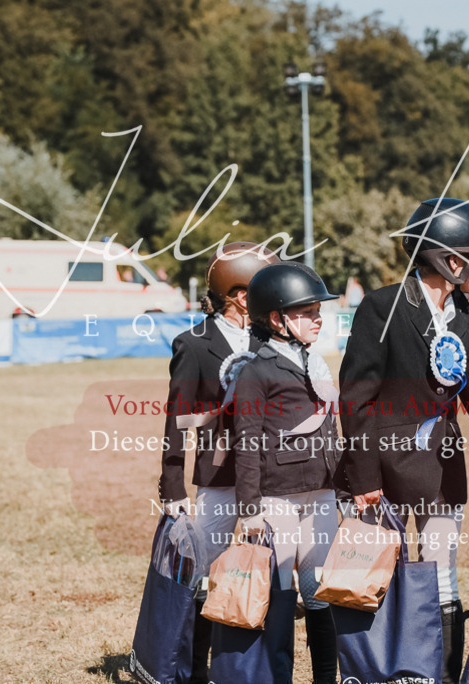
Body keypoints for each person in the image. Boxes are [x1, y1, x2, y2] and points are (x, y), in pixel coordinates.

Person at [339, 198, 469, 683]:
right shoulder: (382, 307)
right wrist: (363, 478)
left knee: (442, 577)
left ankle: (439, 677)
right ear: (449, 261)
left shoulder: (467, 317)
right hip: (384, 472)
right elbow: (355, 398)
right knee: (383, 581)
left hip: (443, 468)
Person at [157, 241, 278, 684]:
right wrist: (172, 485)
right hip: (219, 476)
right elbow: (177, 417)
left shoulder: (272, 340)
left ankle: (248, 667)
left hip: (270, 478)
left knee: (262, 573)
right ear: (241, 296)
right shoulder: (193, 345)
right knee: (203, 577)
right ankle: (192, 668)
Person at [232, 261, 343, 684]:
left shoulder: (314, 363)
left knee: (320, 595)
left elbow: (331, 429)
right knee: (280, 596)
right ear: (277, 319)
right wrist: (250, 508)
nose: (317, 318)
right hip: (276, 498)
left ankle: (325, 678)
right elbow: (246, 442)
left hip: (321, 493)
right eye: (306, 312)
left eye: (318, 310)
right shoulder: (255, 370)